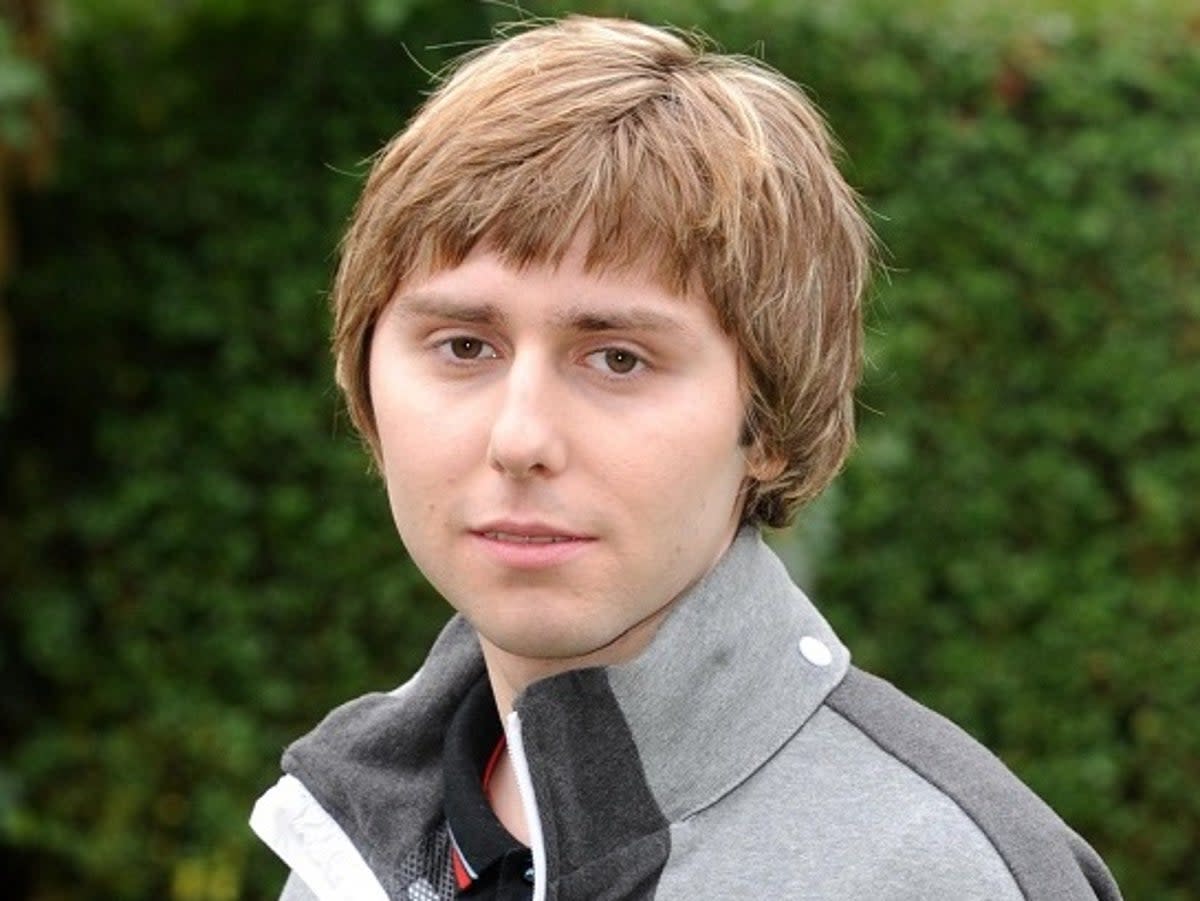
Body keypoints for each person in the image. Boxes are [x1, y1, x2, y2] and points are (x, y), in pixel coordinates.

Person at [250, 16, 1122, 901]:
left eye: (618, 358)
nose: (518, 439)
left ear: (769, 422)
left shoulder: (936, 873)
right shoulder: (354, 833)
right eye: (465, 346)